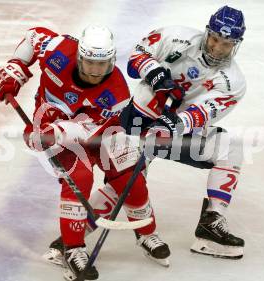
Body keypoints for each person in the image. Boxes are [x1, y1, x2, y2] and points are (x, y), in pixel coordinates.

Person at [60, 5, 245, 260]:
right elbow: (136, 59)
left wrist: (175, 124)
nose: (217, 48)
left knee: (229, 145)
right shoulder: (175, 37)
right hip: (136, 118)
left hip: (174, 131)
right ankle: (70, 241)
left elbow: (205, 112)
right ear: (207, 32)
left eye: (226, 44)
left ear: (236, 44)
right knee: (127, 179)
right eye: (214, 39)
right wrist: (155, 72)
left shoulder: (233, 82)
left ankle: (210, 224)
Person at [0, 25, 170, 281]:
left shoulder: (116, 91)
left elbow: (93, 132)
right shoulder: (59, 51)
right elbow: (33, 35)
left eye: (103, 64)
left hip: (95, 132)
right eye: (89, 63)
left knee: (131, 175)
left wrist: (57, 131)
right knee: (80, 178)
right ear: (78, 56)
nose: (96, 71)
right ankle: (73, 249)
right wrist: (16, 66)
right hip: (52, 129)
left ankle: (146, 232)